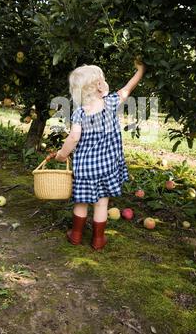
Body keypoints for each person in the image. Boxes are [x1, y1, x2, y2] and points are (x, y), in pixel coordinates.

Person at [52, 59, 146, 250]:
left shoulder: (79, 113)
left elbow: (73, 137)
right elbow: (128, 88)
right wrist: (140, 71)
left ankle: (76, 235)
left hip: (85, 169)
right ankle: (98, 239)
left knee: (81, 202)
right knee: (102, 203)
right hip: (108, 166)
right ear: (99, 86)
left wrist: (62, 155)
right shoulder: (110, 103)